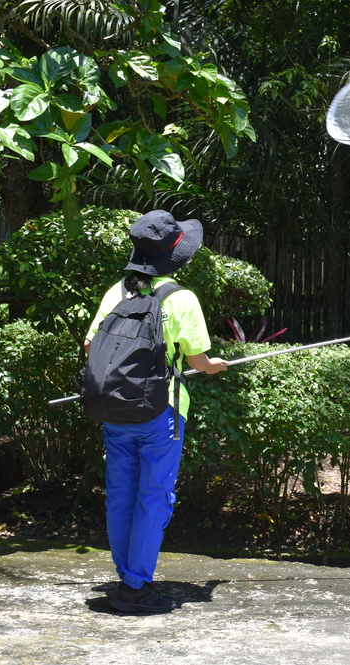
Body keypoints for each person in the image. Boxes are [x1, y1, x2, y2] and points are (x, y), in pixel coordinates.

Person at [85, 210, 228, 614]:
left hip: (114, 411)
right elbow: (198, 361)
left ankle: (127, 574)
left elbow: (90, 347)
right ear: (174, 256)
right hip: (159, 414)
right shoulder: (181, 299)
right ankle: (135, 587)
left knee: (120, 494)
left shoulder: (119, 291)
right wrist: (213, 366)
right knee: (154, 497)